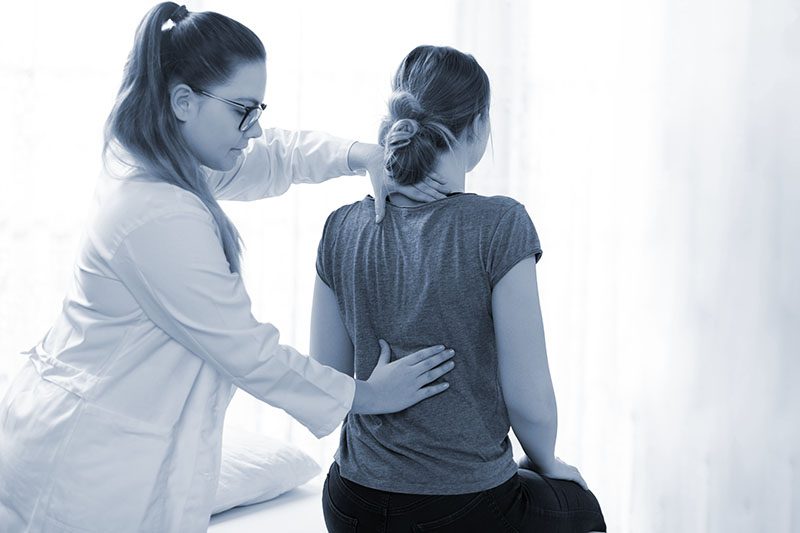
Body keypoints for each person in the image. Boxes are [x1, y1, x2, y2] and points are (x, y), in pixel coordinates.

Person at [0, 5, 458, 532]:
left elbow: (275, 157)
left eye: (258, 107)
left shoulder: (164, 159)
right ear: (183, 102)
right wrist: (370, 395)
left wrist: (364, 156)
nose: (256, 127)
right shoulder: (155, 211)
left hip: (90, 441)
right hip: (87, 469)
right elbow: (249, 353)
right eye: (243, 110)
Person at [311, 45, 608, 532]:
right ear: (478, 127)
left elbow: (327, 377)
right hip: (463, 506)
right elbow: (528, 399)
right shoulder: (499, 224)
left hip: (351, 502)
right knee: (580, 510)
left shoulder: (340, 226)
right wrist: (549, 463)